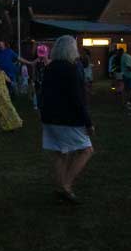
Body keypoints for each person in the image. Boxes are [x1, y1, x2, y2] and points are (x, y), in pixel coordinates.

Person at [40, 35, 94, 204]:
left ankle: (61, 187)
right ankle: (66, 185)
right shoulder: (72, 69)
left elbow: (42, 94)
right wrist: (88, 122)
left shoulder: (49, 68)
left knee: (60, 153)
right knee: (86, 150)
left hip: (50, 117)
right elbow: (78, 98)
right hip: (68, 118)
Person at [0, 58, 23, 133]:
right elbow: (9, 80)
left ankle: (1, 127)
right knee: (9, 108)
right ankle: (14, 124)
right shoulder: (2, 72)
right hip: (4, 92)